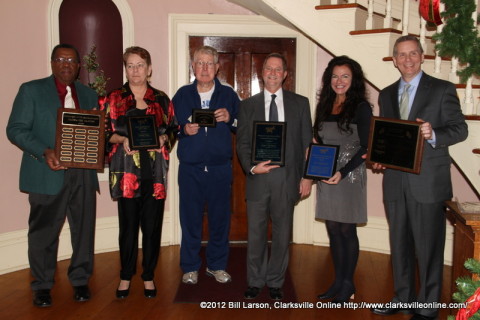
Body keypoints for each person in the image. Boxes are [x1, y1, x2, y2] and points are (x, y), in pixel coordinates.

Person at [370, 36, 468, 320]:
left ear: (422, 56)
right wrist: (380, 156)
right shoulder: (386, 94)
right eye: (401, 55)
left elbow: (460, 129)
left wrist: (433, 133)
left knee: (428, 247)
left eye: (413, 53)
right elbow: (387, 137)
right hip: (395, 182)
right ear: (394, 59)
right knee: (399, 244)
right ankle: (403, 297)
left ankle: (427, 304)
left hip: (428, 183)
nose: (408, 59)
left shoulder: (442, 89)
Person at [6, 44, 99, 307]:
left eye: (71, 60)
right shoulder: (31, 90)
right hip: (46, 173)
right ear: (52, 62)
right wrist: (44, 151)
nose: (66, 64)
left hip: (83, 174)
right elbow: (15, 129)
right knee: (43, 233)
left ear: (79, 65)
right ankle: (42, 285)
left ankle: (81, 280)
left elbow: (95, 133)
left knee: (83, 230)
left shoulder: (89, 95)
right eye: (60, 59)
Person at [100, 46, 178, 299]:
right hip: (126, 175)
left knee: (153, 228)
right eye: (130, 65)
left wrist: (163, 139)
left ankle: (148, 276)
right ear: (126, 69)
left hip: (154, 175)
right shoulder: (112, 98)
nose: (135, 70)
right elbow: (102, 133)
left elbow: (173, 130)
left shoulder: (163, 99)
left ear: (149, 68)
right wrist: (120, 139)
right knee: (128, 228)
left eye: (140, 65)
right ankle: (125, 276)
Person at [236, 53, 312, 300]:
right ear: (262, 73)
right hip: (258, 178)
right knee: (256, 234)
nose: (272, 73)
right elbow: (243, 143)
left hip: (287, 179)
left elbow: (306, 145)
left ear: (285, 74)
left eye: (278, 69)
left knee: (282, 234)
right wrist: (251, 167)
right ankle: (255, 280)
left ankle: (276, 281)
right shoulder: (248, 105)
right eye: (268, 68)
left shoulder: (300, 103)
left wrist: (307, 177)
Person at [172, 45, 239, 285]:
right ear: (193, 67)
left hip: (220, 169)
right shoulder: (182, 95)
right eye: (200, 63)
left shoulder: (229, 95)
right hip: (191, 169)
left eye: (209, 63)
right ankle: (190, 267)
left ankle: (217, 265)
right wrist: (183, 129)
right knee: (189, 219)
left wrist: (231, 118)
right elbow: (170, 129)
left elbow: (241, 126)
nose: (204, 68)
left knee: (220, 219)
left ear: (217, 67)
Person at [313, 56, 372, 303]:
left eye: (345, 76)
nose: (339, 81)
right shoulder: (325, 104)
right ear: (329, 79)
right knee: (333, 229)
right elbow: (318, 138)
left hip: (348, 175)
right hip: (326, 175)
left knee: (346, 229)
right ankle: (337, 281)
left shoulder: (361, 107)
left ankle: (348, 284)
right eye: (335, 76)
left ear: (354, 79)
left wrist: (343, 171)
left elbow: (367, 147)